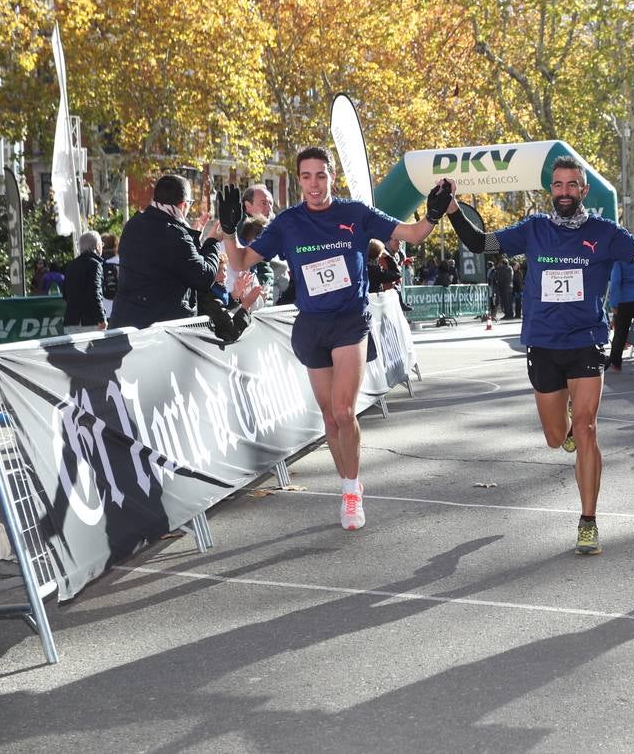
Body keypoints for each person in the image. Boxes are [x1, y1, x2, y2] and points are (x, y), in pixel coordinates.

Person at [221, 146, 451, 531]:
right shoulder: (288, 223)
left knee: (345, 411)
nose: (315, 184)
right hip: (311, 325)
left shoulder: (354, 213)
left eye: (321, 175)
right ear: (299, 181)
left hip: (349, 321)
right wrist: (229, 232)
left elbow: (412, 233)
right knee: (329, 415)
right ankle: (348, 481)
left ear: (331, 177)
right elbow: (242, 261)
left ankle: (349, 492)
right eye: (307, 176)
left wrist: (433, 213)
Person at [444, 155, 634, 555]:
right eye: (558, 185)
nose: (564, 192)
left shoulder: (604, 232)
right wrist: (453, 208)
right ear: (551, 190)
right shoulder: (534, 229)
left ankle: (588, 520)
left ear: (584, 190)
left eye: (572, 185)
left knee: (590, 429)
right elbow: (480, 242)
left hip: (586, 340)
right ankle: (569, 429)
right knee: (555, 437)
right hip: (543, 343)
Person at [110, 175, 223, 330]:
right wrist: (213, 242)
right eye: (190, 203)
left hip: (126, 323)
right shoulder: (175, 233)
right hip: (159, 331)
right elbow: (203, 277)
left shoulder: (134, 224)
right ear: (183, 205)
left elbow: (172, 262)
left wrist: (193, 236)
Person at [196, 269, 264, 344]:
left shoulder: (213, 295)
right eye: (218, 271)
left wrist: (235, 295)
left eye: (225, 270)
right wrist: (246, 306)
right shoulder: (208, 299)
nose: (224, 275)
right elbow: (232, 332)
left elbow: (221, 311)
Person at [61, 230, 108, 333]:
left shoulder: (71, 265)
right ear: (97, 246)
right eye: (101, 244)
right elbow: (95, 293)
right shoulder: (95, 265)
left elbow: (65, 294)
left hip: (71, 321)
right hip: (90, 322)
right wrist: (101, 318)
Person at [491, 253, 514, 319]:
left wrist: (498, 268)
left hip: (504, 288)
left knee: (505, 302)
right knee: (509, 302)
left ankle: (507, 314)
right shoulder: (510, 268)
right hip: (510, 288)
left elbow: (500, 279)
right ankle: (510, 314)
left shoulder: (503, 269)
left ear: (503, 263)